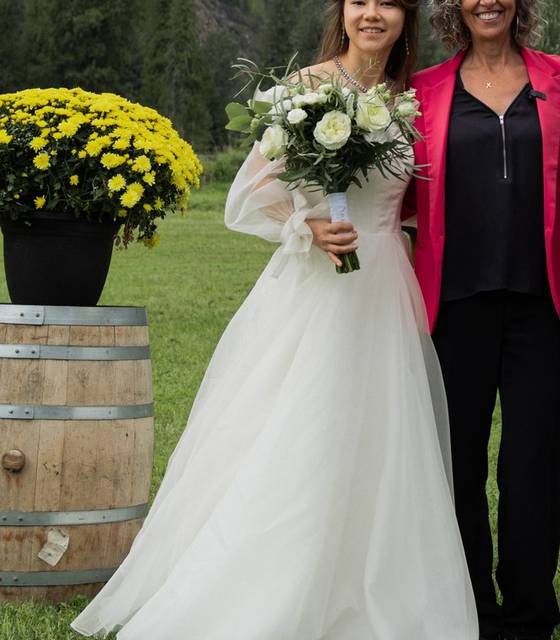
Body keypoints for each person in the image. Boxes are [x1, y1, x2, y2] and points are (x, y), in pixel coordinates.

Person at [70, 0, 478, 637]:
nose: (373, 15)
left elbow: (420, 197)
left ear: (405, 19)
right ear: (342, 13)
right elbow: (251, 193)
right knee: (305, 422)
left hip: (386, 287)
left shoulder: (412, 102)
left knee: (385, 431)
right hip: (316, 288)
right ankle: (272, 582)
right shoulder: (303, 90)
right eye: (360, 2)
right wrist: (306, 224)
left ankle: (376, 587)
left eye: (388, 5)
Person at [408, 0, 560, 637]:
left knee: (534, 459)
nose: (488, 1)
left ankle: (531, 612)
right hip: (455, 305)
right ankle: (471, 607)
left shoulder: (558, 77)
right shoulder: (423, 91)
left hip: (540, 302)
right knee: (462, 461)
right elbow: (395, 192)